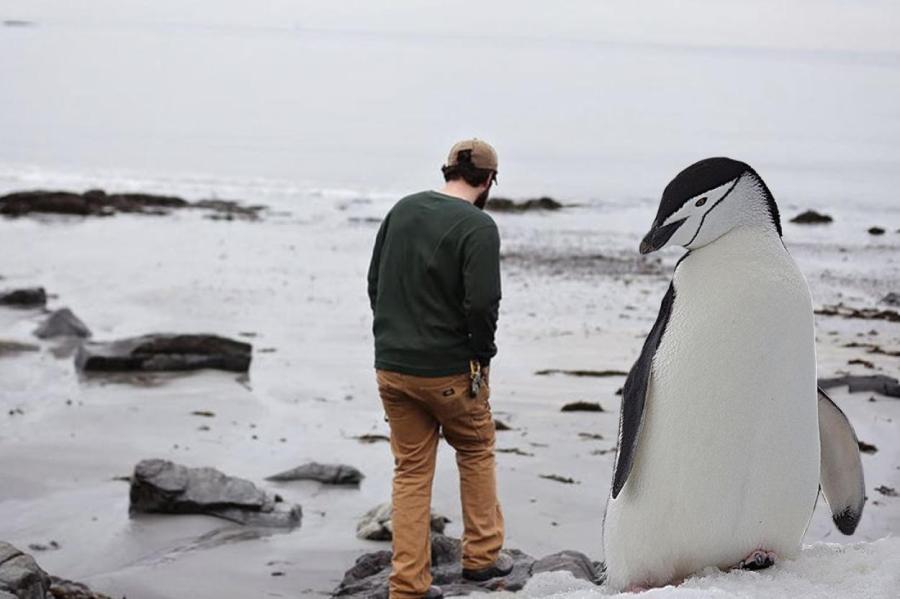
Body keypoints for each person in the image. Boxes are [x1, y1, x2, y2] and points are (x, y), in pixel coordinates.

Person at [367, 139, 512, 599]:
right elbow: (483, 302)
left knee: (410, 471)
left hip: (391, 365)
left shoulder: (402, 210)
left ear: (446, 169)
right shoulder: (479, 226)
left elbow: (375, 282)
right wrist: (482, 356)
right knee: (475, 449)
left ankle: (408, 586)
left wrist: (394, 336)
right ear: (489, 180)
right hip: (448, 371)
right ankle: (482, 559)